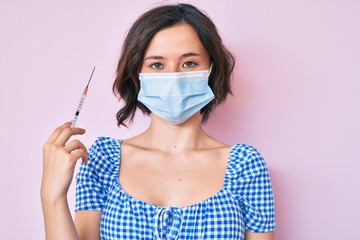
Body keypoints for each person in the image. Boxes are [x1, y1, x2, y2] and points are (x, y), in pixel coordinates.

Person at [41, 3, 275, 240]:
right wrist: (52, 196)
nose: (173, 77)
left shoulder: (245, 166)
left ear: (212, 71)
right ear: (137, 75)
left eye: (189, 63)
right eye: (157, 65)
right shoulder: (103, 159)